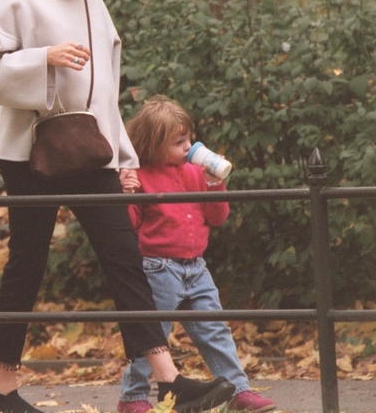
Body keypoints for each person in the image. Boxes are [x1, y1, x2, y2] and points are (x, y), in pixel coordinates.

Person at [0, 0, 236, 413]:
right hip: (31, 154)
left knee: (124, 257)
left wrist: (125, 159)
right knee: (27, 265)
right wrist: (42, 58)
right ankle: (2, 392)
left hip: (92, 152)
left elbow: (104, 87)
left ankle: (169, 381)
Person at [117, 96, 276, 413]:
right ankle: (132, 397)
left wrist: (215, 184)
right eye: (180, 142)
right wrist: (126, 194)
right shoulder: (141, 176)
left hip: (196, 267)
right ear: (154, 145)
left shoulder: (193, 172)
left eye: (188, 138)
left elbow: (217, 217)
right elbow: (131, 224)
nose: (189, 146)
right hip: (158, 267)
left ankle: (236, 392)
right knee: (153, 334)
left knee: (214, 329)